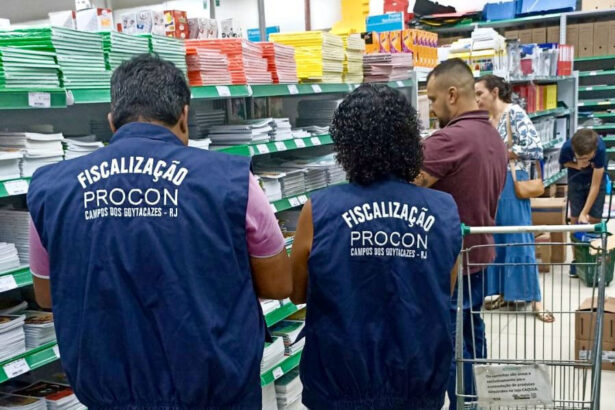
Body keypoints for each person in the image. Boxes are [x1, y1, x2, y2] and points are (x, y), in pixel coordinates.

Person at [27, 54, 292, 409]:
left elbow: (47, 295)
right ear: (184, 116)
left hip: (110, 394)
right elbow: (278, 284)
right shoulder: (231, 181)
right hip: (214, 392)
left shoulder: (51, 188)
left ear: (111, 121)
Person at [290, 84, 462, 409]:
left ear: (346, 144)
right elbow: (444, 288)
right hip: (417, 376)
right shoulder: (443, 210)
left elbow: (298, 292)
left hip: (339, 380)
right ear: (410, 140)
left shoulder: (320, 209)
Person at [414, 59, 507, 409]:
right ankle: (476, 400)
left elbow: (403, 188)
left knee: (451, 343)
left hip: (451, 263)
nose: (431, 109)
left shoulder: (448, 140)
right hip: (479, 254)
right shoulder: (492, 135)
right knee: (471, 332)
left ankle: (465, 404)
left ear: (452, 95)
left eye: (433, 100)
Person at [474, 75, 554, 323]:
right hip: (491, 184)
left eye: (480, 93)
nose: (476, 99)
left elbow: (536, 148)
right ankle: (506, 293)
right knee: (497, 239)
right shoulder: (486, 120)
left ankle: (536, 299)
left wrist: (505, 152)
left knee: (519, 237)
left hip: (512, 182)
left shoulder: (515, 114)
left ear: (495, 92)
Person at [559, 129, 607, 277]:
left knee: (594, 220)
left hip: (596, 179)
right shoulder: (567, 147)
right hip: (576, 179)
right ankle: (577, 261)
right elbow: (563, 162)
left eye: (587, 158)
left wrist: (584, 212)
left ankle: (593, 257)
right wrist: (577, 165)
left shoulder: (600, 149)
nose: (584, 162)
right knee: (575, 222)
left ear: (594, 151)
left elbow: (595, 186)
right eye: (579, 157)